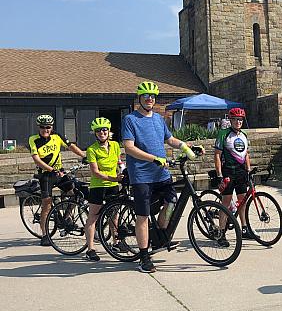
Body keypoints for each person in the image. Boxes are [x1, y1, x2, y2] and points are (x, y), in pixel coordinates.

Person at [122, 81, 197, 273]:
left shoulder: (158, 119)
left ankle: (159, 235)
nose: (149, 99)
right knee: (143, 216)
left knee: (172, 201)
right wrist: (153, 158)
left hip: (160, 173)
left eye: (152, 97)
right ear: (139, 98)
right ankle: (144, 257)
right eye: (146, 96)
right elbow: (129, 148)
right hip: (141, 175)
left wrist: (185, 146)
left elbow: (169, 139)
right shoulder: (131, 119)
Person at [29, 114, 86, 246]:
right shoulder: (34, 139)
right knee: (47, 205)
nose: (45, 130)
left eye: (48, 127)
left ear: (52, 127)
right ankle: (45, 235)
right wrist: (50, 169)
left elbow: (70, 146)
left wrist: (84, 155)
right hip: (45, 175)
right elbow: (36, 159)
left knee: (74, 193)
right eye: (42, 127)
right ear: (38, 127)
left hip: (59, 172)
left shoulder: (57, 136)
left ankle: (66, 218)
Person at [83, 117, 123, 261]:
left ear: (109, 131)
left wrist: (123, 170)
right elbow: (95, 172)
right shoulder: (91, 149)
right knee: (93, 217)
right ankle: (90, 249)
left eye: (104, 130)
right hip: (98, 186)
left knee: (114, 215)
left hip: (113, 186)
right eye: (98, 131)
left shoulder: (115, 145)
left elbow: (119, 161)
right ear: (95, 133)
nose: (102, 132)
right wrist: (114, 178)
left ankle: (116, 242)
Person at [214, 107, 253, 242]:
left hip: (241, 172)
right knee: (225, 203)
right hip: (228, 171)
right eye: (236, 119)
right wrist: (219, 175)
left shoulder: (243, 135)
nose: (238, 122)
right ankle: (221, 233)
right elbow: (217, 155)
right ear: (230, 120)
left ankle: (244, 228)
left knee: (242, 202)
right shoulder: (223, 134)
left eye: (241, 119)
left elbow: (246, 154)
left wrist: (248, 170)